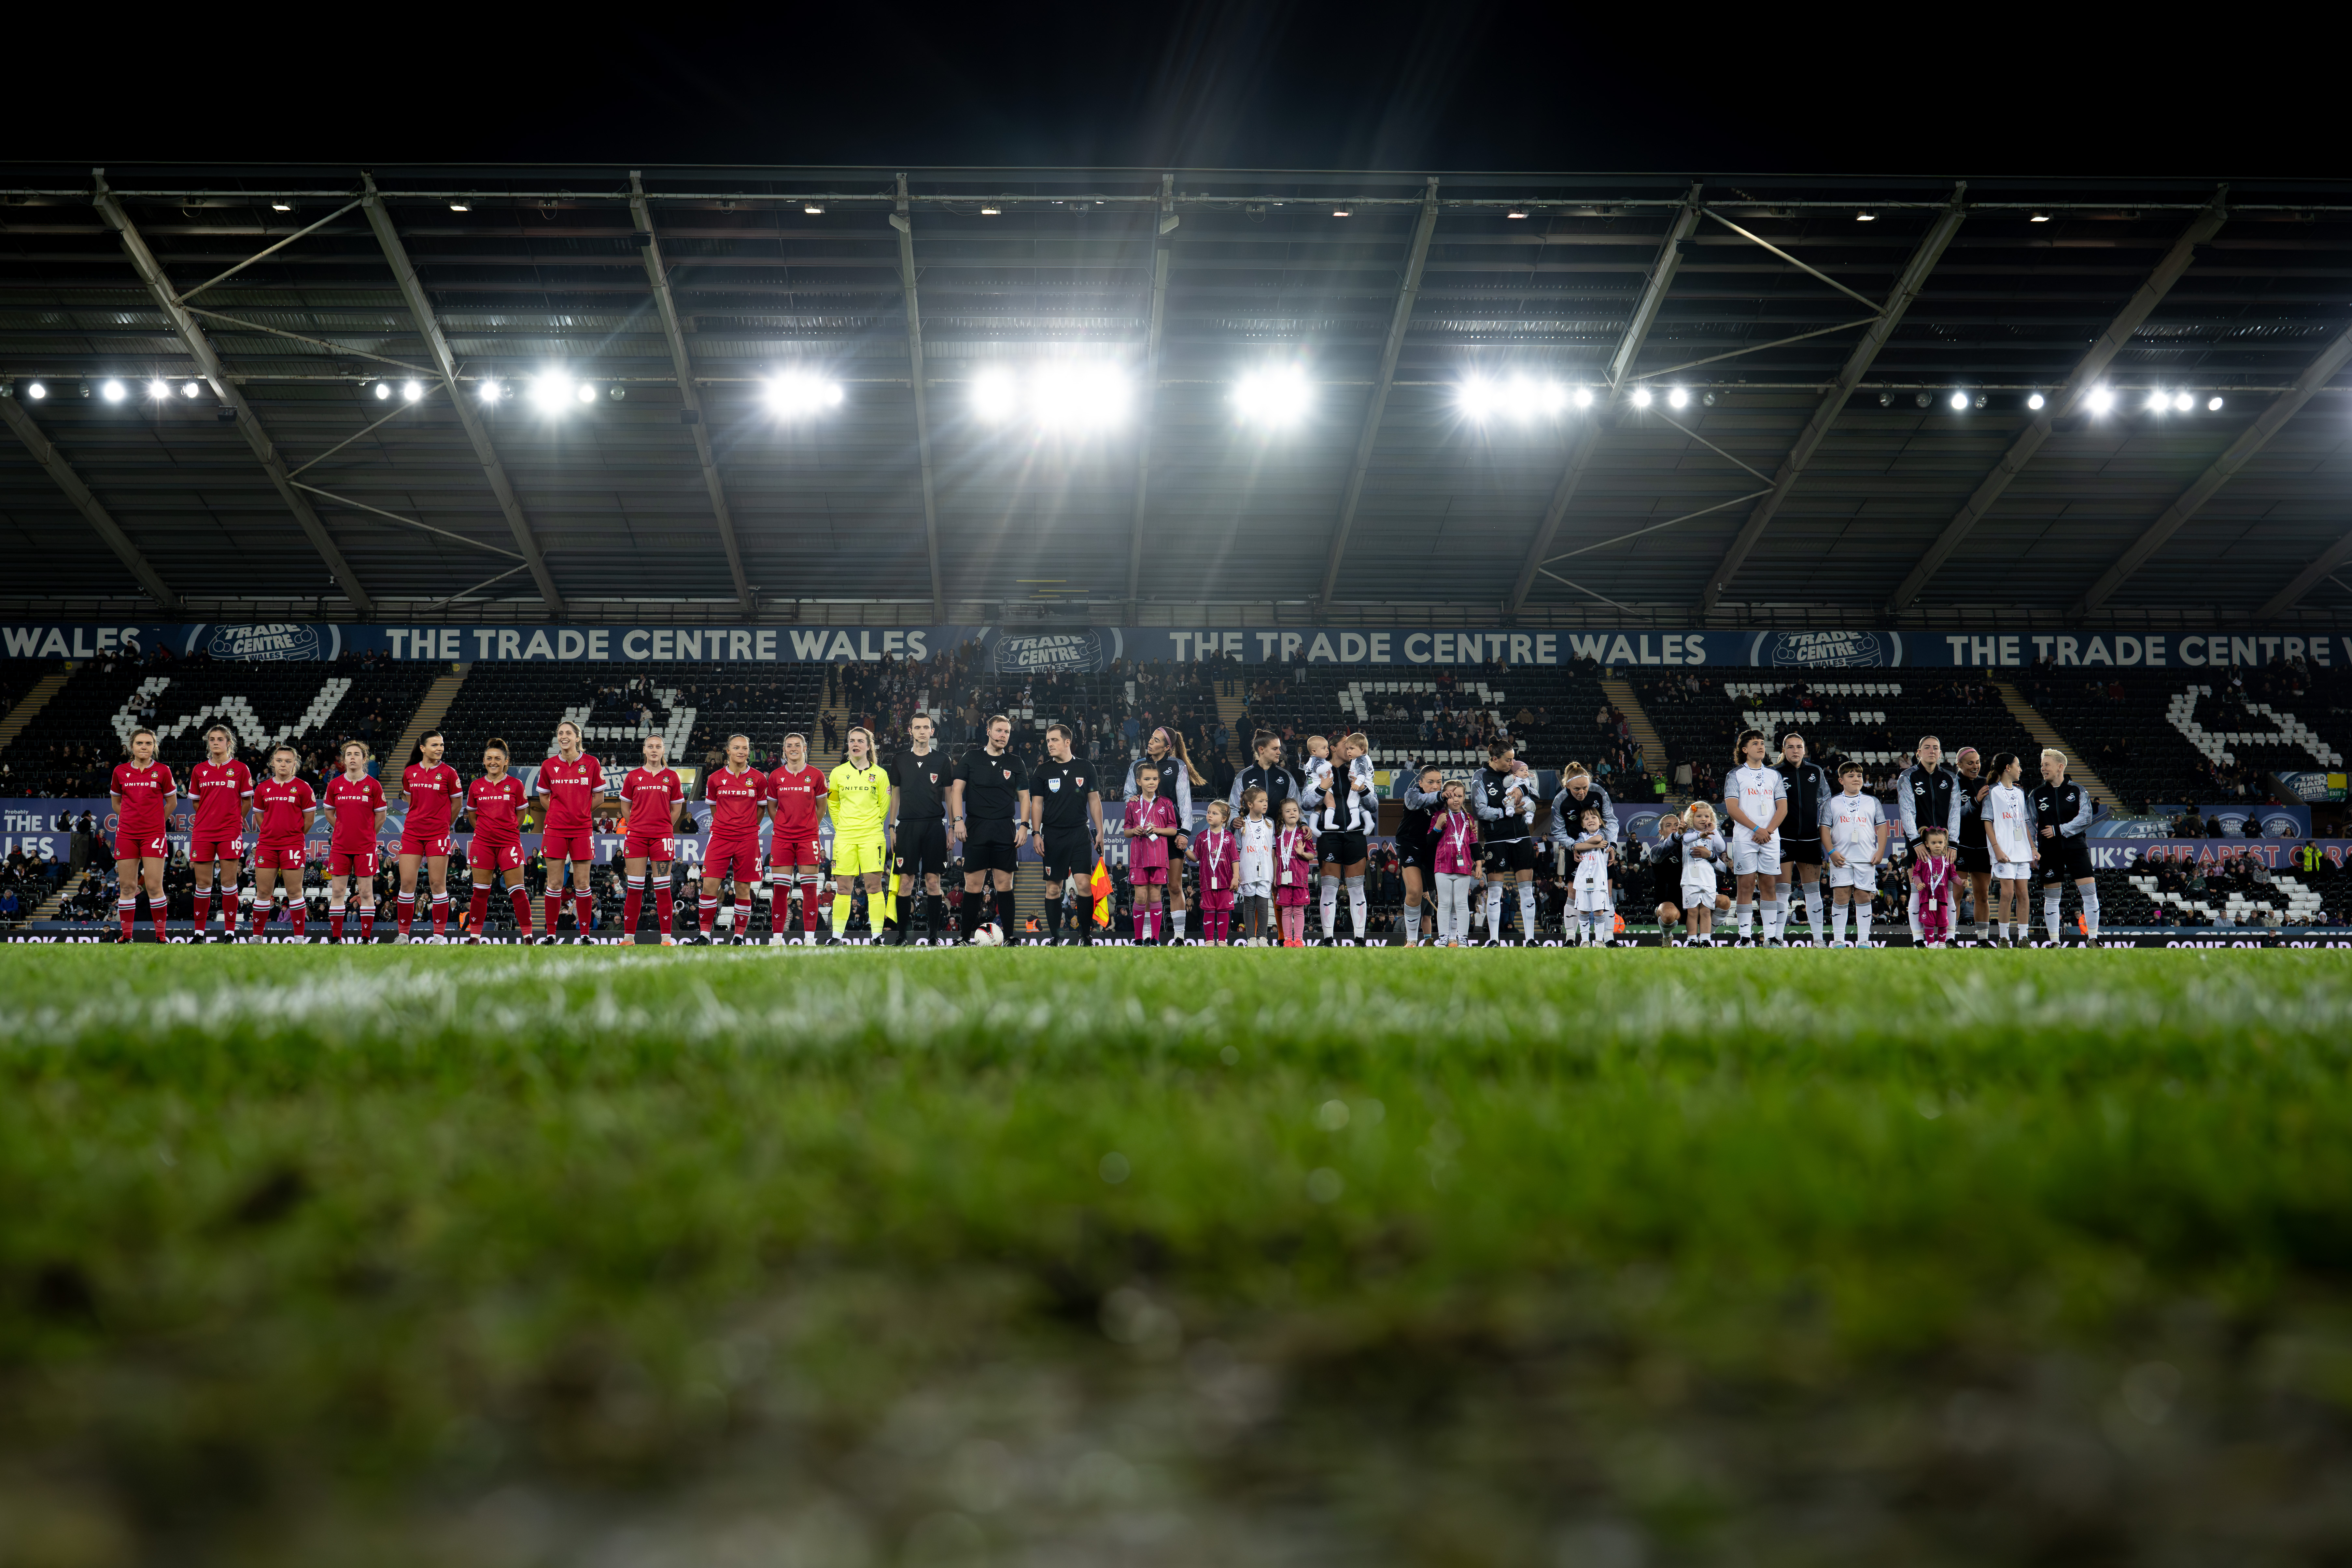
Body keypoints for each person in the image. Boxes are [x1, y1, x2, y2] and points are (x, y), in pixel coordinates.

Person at [949, 714, 1030, 944]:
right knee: (973, 885)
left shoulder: (1016, 762)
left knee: (1005, 885)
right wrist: (958, 820)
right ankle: (964, 937)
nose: (1003, 735)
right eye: (999, 731)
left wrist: (1024, 825)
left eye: (1006, 732)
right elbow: (956, 791)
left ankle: (1010, 937)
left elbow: (1025, 798)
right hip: (975, 827)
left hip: (1005, 828)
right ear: (988, 731)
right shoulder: (971, 758)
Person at [1030, 721, 1104, 946]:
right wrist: (1036, 833)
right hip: (1052, 835)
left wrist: (1100, 830)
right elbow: (1036, 804)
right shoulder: (1042, 770)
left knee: (1083, 885)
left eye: (1054, 740)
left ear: (1067, 742)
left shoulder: (1086, 767)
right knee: (1054, 888)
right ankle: (1055, 936)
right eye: (1048, 740)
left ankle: (1085, 935)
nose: (1049, 744)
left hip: (1079, 834)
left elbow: (1094, 800)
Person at [1125, 727, 1201, 945]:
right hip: (1145, 834)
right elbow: (1127, 795)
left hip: (1170, 833)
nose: (1150, 742)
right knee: (1148, 889)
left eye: (1156, 740)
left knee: (1175, 886)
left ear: (1167, 747)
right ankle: (1148, 937)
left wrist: (1184, 833)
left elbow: (1185, 801)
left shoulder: (1177, 766)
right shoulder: (1136, 766)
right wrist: (1136, 811)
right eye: (1151, 738)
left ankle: (1179, 937)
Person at [534, 720, 607, 943]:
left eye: (568, 733)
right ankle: (550, 935)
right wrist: (559, 813)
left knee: (583, 884)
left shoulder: (592, 763)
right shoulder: (548, 765)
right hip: (555, 829)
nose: (563, 736)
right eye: (560, 733)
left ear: (578, 738)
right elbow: (544, 797)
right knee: (554, 884)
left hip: (582, 829)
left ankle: (585, 935)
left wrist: (580, 812)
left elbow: (600, 797)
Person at [692, 734, 767, 946]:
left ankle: (739, 937)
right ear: (728, 751)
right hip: (720, 837)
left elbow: (761, 809)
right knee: (709, 886)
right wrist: (726, 824)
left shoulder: (759, 779)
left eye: (745, 748)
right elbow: (714, 808)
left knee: (743, 889)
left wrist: (747, 825)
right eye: (737, 748)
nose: (742, 752)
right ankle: (705, 935)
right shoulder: (715, 778)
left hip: (748, 839)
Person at [1305, 731, 1378, 944]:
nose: (1350, 749)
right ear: (1333, 748)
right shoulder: (1319, 769)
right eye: (1345, 745)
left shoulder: (1359, 769)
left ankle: (1360, 939)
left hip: (1355, 835)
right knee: (1329, 888)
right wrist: (1322, 787)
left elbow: (1374, 806)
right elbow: (1306, 802)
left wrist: (1363, 787)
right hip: (1329, 836)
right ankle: (1328, 940)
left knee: (1357, 887)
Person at [184, 724, 252, 944]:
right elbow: (196, 802)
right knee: (203, 884)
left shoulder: (241, 769)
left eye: (220, 739)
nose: (215, 742)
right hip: (203, 831)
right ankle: (199, 934)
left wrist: (233, 818)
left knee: (229, 881)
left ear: (228, 743)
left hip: (229, 831)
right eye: (212, 739)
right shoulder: (199, 770)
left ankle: (230, 934)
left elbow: (247, 801)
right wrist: (208, 816)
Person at [887, 713, 951, 945]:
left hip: (935, 826)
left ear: (932, 731)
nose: (922, 731)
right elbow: (895, 794)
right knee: (906, 882)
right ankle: (902, 936)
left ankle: (933, 937)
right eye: (918, 727)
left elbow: (949, 795)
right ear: (910, 731)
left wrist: (952, 826)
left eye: (926, 727)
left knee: (933, 882)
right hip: (907, 827)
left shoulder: (943, 759)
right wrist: (892, 826)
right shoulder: (899, 759)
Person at [825, 726, 893, 944]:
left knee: (874, 887)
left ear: (868, 746)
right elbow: (833, 804)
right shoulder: (837, 773)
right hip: (845, 837)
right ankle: (836, 937)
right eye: (852, 741)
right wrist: (842, 826)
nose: (855, 744)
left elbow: (884, 806)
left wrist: (872, 825)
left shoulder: (881, 775)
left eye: (860, 741)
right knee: (843, 888)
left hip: (872, 837)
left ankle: (877, 936)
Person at [393, 729, 463, 944]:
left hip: (438, 835)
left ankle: (439, 937)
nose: (440, 748)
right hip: (413, 833)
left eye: (441, 745)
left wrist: (443, 825)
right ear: (423, 748)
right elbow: (410, 800)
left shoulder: (450, 773)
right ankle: (403, 935)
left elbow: (457, 805)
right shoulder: (410, 772)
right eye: (435, 745)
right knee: (406, 883)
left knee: (437, 884)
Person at [615, 734, 686, 945]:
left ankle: (666, 937)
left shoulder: (672, 777)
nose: (654, 750)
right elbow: (625, 807)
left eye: (658, 746)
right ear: (644, 750)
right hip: (636, 837)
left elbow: (677, 810)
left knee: (663, 887)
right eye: (650, 746)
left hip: (662, 838)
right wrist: (637, 824)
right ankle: (628, 937)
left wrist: (663, 826)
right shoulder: (633, 777)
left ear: (664, 750)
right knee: (635, 888)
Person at [462, 740, 533, 946]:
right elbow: (473, 818)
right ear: (484, 761)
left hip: (509, 843)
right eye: (490, 759)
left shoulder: (516, 785)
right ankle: (474, 937)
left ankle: (528, 937)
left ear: (506, 762)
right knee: (481, 891)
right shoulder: (476, 786)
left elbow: (522, 814)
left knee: (518, 891)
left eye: (498, 759)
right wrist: (487, 833)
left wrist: (507, 831)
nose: (494, 762)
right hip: (482, 843)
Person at [109, 727, 175, 944]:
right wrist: (130, 819)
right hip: (127, 834)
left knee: (155, 886)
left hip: (153, 835)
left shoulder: (163, 771)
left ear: (154, 747)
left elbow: (172, 802)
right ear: (132, 747)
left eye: (148, 743)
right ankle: (127, 936)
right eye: (140, 743)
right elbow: (116, 803)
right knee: (128, 887)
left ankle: (161, 936)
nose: (144, 747)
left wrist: (155, 821)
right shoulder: (120, 771)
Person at [1473, 738, 1540, 945]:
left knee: (1527, 890)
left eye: (1514, 760)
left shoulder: (1517, 773)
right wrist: (1506, 812)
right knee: (1494, 892)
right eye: (1508, 760)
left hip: (1522, 836)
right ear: (1495, 759)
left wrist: (1523, 790)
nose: (1513, 764)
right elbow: (1480, 810)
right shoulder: (1480, 777)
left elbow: (1537, 793)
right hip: (1496, 839)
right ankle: (1493, 939)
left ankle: (1531, 939)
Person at [1896, 736, 1963, 944]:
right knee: (1918, 889)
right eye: (1927, 748)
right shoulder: (1907, 777)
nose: (1932, 751)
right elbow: (1906, 810)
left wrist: (1952, 843)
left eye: (1936, 748)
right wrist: (1916, 841)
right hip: (1918, 844)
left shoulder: (1951, 778)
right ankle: (1918, 940)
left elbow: (1955, 812)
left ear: (1941, 753)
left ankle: (1949, 939)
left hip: (1945, 845)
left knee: (1948, 891)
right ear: (1919, 753)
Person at [1725, 729, 1788, 947]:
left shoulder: (1774, 775)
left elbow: (1783, 807)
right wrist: (1756, 829)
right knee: (1745, 887)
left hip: (1770, 838)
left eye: (1762, 743)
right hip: (1745, 838)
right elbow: (1732, 808)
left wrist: (1767, 831)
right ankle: (1744, 938)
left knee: (1769, 885)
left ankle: (1770, 937)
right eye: (1755, 743)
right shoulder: (1735, 775)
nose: (1761, 746)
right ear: (1744, 750)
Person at [2031, 747, 2100, 946]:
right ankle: (2054, 942)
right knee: (2052, 898)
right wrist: (2033, 849)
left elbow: (2086, 818)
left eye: (2047, 765)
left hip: (2076, 848)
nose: (2042, 768)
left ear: (2060, 767)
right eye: (2042, 765)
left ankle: (2093, 939)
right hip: (2049, 851)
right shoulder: (2036, 794)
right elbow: (2029, 825)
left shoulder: (2078, 790)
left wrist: (2059, 829)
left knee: (2090, 894)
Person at [247, 744, 316, 942]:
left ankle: (300, 938)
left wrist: (292, 836)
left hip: (293, 845)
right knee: (263, 892)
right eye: (279, 761)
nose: (283, 764)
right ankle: (257, 937)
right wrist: (271, 832)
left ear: (295, 764)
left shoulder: (303, 788)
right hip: (267, 845)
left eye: (288, 761)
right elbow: (260, 817)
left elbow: (309, 821)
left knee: (295, 892)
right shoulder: (262, 788)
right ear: (273, 763)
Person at [321, 740, 387, 944]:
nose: (352, 758)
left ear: (364, 759)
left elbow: (382, 817)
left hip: (365, 847)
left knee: (367, 892)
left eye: (357, 754)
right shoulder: (335, 784)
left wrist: (368, 835)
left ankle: (366, 938)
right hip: (340, 846)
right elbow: (329, 812)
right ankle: (336, 938)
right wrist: (341, 828)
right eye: (349, 754)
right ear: (344, 759)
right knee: (338, 891)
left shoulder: (374, 785)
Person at [765, 733, 827, 946]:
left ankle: (809, 938)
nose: (793, 748)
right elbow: (772, 808)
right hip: (782, 838)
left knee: (810, 888)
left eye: (797, 745)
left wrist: (809, 825)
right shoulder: (775, 777)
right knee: (781, 888)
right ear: (784, 750)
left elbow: (822, 807)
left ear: (804, 748)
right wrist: (784, 825)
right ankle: (777, 938)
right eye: (789, 745)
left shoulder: (817, 775)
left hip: (808, 837)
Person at [1774, 731, 1834, 948]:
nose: (1795, 750)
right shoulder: (1775, 773)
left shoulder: (1815, 771)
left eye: (1799, 746)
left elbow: (1825, 800)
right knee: (1781, 890)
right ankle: (1777, 938)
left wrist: (1822, 826)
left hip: (1810, 837)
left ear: (1804, 749)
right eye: (1790, 747)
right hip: (1783, 837)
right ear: (1783, 750)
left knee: (1812, 890)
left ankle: (1818, 939)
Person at [1822, 761, 1888, 948]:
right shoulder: (1832, 802)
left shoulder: (1872, 801)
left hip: (1866, 858)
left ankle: (1864, 941)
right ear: (1841, 780)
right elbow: (1824, 830)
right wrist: (1832, 852)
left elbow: (1882, 828)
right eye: (1851, 776)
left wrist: (1880, 851)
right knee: (1841, 897)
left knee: (1864, 897)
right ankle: (1839, 941)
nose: (1856, 779)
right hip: (1840, 858)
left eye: (1859, 776)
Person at [1122, 761, 1182, 945]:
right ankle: (1139, 939)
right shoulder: (1132, 804)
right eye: (1147, 779)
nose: (1152, 783)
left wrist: (1158, 830)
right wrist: (1135, 831)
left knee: (1156, 897)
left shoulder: (1166, 803)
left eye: (1155, 779)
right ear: (1139, 782)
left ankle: (1155, 939)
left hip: (1159, 857)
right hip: (1138, 858)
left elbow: (1173, 829)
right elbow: (1126, 831)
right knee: (1140, 897)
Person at [1984, 752, 2035, 948]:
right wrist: (1996, 849)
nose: (2021, 770)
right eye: (2018, 766)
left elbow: (2024, 824)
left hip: (2022, 851)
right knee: (2007, 894)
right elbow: (1988, 823)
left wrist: (2033, 847)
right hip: (2004, 852)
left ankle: (2024, 938)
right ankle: (2004, 938)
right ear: (2008, 768)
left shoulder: (2021, 793)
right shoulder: (1992, 792)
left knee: (2023, 894)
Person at [1393, 764, 1444, 946]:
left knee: (1434, 891)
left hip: (1432, 848)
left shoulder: (1443, 800)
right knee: (1415, 891)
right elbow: (1417, 803)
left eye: (1439, 782)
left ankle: (1453, 938)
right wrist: (1440, 795)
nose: (1435, 786)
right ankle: (1412, 941)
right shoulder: (1412, 794)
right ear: (1421, 783)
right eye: (1430, 782)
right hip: (1410, 845)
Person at [1430, 778, 1481, 948]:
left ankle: (1463, 938)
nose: (1456, 799)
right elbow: (1429, 842)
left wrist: (1479, 864)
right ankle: (1444, 937)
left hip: (1464, 866)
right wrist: (1438, 827)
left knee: (1461, 903)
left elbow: (1474, 843)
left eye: (1460, 796)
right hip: (1442, 865)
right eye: (1452, 796)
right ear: (1445, 797)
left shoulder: (1469, 819)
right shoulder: (1438, 817)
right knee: (1444, 903)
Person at [1953, 747, 1994, 947]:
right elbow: (1955, 816)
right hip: (1960, 846)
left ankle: (1983, 939)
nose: (1975, 766)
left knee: (1982, 895)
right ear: (1959, 765)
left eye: (1977, 762)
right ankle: (1949, 937)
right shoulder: (1952, 785)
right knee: (1957, 894)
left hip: (1983, 847)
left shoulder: (1986, 783)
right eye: (1970, 763)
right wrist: (1976, 801)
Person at [1680, 802, 1726, 947]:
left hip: (1708, 879)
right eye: (1698, 816)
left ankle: (1706, 939)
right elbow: (1686, 840)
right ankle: (1692, 940)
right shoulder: (1688, 833)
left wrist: (1715, 831)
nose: (1703, 819)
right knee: (1693, 912)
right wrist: (1702, 834)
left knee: (1706, 911)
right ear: (1691, 818)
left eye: (1707, 816)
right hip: (1690, 878)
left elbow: (1721, 847)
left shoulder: (1712, 834)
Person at [1193, 798, 1240, 946]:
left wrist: (1236, 878)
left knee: (1223, 911)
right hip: (1207, 881)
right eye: (1209, 813)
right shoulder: (1201, 837)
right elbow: (1195, 857)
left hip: (1226, 882)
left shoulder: (1229, 837)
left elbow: (1235, 860)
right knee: (1208, 911)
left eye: (1215, 813)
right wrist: (1185, 849)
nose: (1210, 815)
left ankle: (1222, 940)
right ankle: (1209, 940)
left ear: (1224, 819)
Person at [1567, 803, 1613, 947]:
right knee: (1584, 911)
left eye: (1594, 817)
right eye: (1586, 819)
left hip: (1599, 880)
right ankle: (1585, 941)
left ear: (1600, 822)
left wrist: (1586, 845)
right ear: (1583, 824)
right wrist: (1593, 846)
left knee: (1599, 911)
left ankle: (1599, 940)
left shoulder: (1604, 833)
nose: (1590, 820)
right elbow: (1577, 847)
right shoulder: (1582, 835)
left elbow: (1596, 840)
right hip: (1582, 879)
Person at [1272, 797, 1317, 947]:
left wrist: (1302, 853)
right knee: (1286, 911)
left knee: (1298, 910)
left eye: (1295, 810)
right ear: (1282, 815)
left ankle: (1298, 939)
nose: (1292, 813)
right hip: (1283, 880)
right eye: (1288, 811)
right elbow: (1277, 858)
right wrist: (1274, 877)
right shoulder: (1278, 835)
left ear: (1299, 813)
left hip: (1300, 879)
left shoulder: (1304, 834)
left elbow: (1312, 855)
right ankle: (1288, 940)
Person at [1235, 786, 1276, 946]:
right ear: (1250, 805)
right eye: (1261, 801)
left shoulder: (1270, 823)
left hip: (1266, 870)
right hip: (1248, 870)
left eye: (1266, 801)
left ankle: (1263, 938)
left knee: (1264, 905)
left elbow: (1273, 850)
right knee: (1250, 905)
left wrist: (1273, 871)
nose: (1265, 804)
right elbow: (1237, 850)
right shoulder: (1242, 824)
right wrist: (1237, 872)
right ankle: (1251, 938)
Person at [1229, 732, 1300, 825]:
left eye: (1279, 748)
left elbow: (1297, 806)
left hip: (1279, 834)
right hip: (1250, 835)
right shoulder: (1243, 776)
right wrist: (1234, 820)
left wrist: (1303, 824)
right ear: (1261, 750)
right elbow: (1234, 807)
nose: (1279, 752)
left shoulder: (1287, 776)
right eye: (1275, 749)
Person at [1914, 826, 1959, 948]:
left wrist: (1962, 881)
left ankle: (1942, 943)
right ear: (1927, 844)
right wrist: (1918, 883)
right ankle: (1931, 943)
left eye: (1941, 842)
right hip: (1927, 897)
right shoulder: (1923, 859)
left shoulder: (1948, 861)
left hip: (1942, 898)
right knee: (1928, 922)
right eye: (1934, 843)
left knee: (1943, 922)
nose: (1938, 845)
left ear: (1945, 844)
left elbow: (1954, 876)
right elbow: (1916, 874)